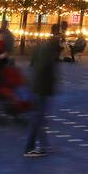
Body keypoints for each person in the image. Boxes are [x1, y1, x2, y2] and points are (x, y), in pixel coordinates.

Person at [24, 25, 61, 157]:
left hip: (37, 87)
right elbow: (42, 69)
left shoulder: (42, 47)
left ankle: (43, 145)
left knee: (40, 118)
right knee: (38, 119)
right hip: (41, 89)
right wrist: (49, 85)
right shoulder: (48, 51)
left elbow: (32, 63)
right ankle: (30, 148)